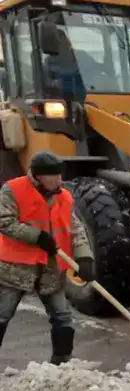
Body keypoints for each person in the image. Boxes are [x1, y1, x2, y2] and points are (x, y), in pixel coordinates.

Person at [0, 150, 95, 364]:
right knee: (2, 315)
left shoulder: (64, 196)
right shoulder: (12, 190)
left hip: (52, 270)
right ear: (38, 177)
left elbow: (75, 228)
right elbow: (4, 222)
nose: (59, 181)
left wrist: (84, 258)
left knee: (62, 317)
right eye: (54, 178)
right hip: (16, 268)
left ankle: (61, 363)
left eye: (60, 176)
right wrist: (36, 237)